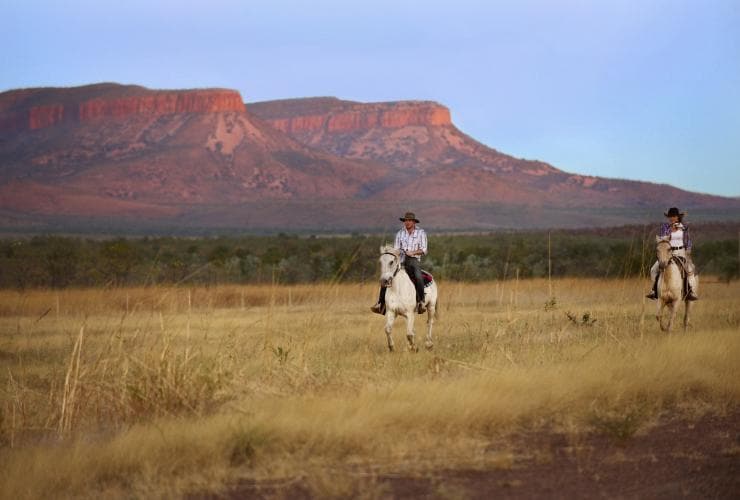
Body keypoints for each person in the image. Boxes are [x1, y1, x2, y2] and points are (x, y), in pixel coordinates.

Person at [371, 211, 429, 314]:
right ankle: (380, 303)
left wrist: (413, 252)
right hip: (400, 260)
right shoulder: (400, 233)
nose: (407, 222)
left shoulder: (421, 233)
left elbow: (424, 249)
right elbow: (397, 249)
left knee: (418, 276)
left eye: (409, 220)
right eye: (406, 220)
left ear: (414, 222)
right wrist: (392, 252)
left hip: (413, 259)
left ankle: (421, 302)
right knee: (386, 276)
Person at [646, 207, 698, 301]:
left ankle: (690, 291)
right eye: (670, 216)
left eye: (673, 216)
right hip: (667, 252)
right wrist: (670, 229)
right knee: (653, 269)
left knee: (689, 270)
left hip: (681, 252)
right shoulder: (665, 227)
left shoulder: (684, 227)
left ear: (677, 217)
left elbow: (688, 240)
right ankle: (654, 290)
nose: (672, 218)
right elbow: (662, 240)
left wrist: (688, 250)